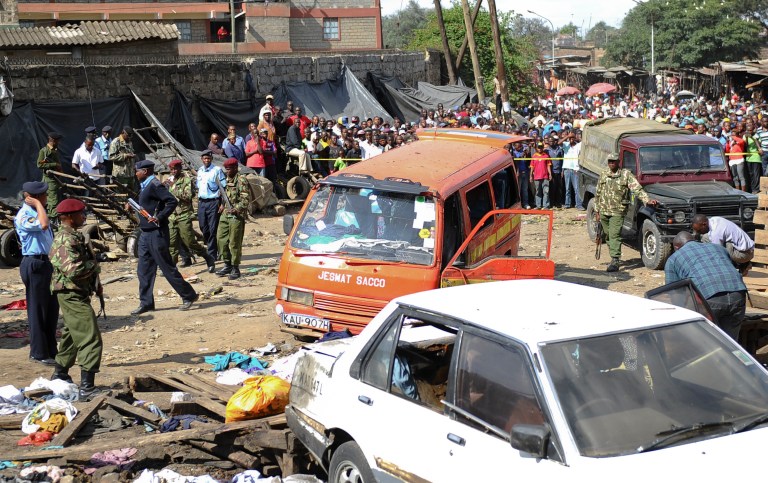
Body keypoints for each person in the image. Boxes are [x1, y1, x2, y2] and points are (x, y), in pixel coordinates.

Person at [48, 198, 103, 400]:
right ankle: (87, 387)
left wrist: (96, 282)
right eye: (81, 213)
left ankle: (60, 373)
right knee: (90, 336)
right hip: (70, 293)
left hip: (78, 292)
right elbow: (73, 270)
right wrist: (94, 266)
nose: (84, 216)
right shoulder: (65, 239)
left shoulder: (75, 236)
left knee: (72, 334)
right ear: (69, 217)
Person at [130, 160, 199, 315]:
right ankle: (146, 302)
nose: (136, 174)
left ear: (145, 171)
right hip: (145, 234)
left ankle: (189, 295)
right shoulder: (145, 186)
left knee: (167, 267)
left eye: (137, 171)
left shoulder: (155, 185)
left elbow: (171, 201)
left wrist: (160, 217)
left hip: (157, 233)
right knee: (143, 270)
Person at [665, 231, 747, 340]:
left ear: (676, 247)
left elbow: (675, 294)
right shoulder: (718, 248)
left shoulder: (673, 259)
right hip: (738, 294)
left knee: (708, 342)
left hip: (710, 299)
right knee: (730, 342)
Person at [15, 181, 58, 365]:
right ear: (31, 198)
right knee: (38, 310)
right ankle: (38, 352)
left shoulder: (37, 211)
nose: (46, 198)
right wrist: (39, 205)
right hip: (34, 263)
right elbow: (43, 225)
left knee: (51, 308)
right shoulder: (25, 215)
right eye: (43, 196)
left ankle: (50, 349)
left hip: (46, 262)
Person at [595, 154, 657, 272]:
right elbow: (598, 192)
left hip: (617, 211)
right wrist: (597, 210)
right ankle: (613, 254)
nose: (611, 163)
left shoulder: (625, 175)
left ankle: (615, 260)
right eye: (609, 161)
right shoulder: (603, 174)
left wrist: (647, 199)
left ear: (618, 162)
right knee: (608, 235)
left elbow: (637, 189)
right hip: (603, 210)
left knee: (614, 234)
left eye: (614, 161)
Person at [167, 159, 215, 271]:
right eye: (171, 169)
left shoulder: (186, 180)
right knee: (172, 243)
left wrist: (173, 187)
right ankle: (172, 268)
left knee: (189, 241)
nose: (173, 171)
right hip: (172, 215)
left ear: (180, 168)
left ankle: (206, 256)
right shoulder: (170, 179)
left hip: (183, 214)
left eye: (175, 169)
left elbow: (187, 197)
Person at [216, 158, 251, 280]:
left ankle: (235, 267)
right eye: (226, 169)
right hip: (225, 214)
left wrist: (236, 209)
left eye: (229, 169)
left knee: (234, 243)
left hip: (236, 216)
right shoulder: (225, 179)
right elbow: (225, 195)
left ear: (235, 168)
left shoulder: (241, 180)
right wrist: (222, 205)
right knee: (221, 240)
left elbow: (245, 200)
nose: (227, 171)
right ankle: (227, 264)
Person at [196, 150, 226, 262]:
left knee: (213, 229)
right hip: (202, 203)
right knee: (203, 227)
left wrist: (222, 204)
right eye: (204, 158)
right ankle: (213, 248)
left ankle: (212, 254)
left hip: (214, 202)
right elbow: (198, 187)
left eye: (208, 158)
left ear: (211, 159)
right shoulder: (200, 171)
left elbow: (223, 188)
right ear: (202, 159)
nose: (206, 160)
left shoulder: (217, 170)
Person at [37, 132, 63, 219]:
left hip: (55, 179)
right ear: (53, 140)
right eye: (57, 141)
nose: (58, 142)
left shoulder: (54, 150)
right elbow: (39, 165)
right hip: (49, 179)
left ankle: (50, 217)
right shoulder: (44, 151)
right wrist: (54, 164)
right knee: (53, 200)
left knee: (51, 200)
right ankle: (53, 219)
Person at [109, 126, 137, 193]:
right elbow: (111, 157)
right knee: (121, 194)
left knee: (131, 193)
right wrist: (125, 156)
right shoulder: (116, 142)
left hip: (130, 173)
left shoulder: (130, 142)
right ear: (123, 133)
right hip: (121, 174)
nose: (130, 137)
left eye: (131, 136)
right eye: (128, 135)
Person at [562, 133, 583, 209]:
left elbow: (583, 141)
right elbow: (558, 143)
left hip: (575, 170)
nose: (571, 139)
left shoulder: (578, 145)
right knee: (567, 189)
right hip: (567, 169)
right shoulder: (566, 144)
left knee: (577, 189)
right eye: (570, 138)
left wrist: (576, 137)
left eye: (572, 138)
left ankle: (578, 205)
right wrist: (567, 136)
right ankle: (567, 204)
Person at [529, 142, 552, 209]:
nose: (540, 149)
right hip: (536, 177)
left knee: (546, 191)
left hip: (545, 176)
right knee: (537, 192)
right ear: (537, 148)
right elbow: (532, 166)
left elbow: (548, 166)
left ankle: (546, 206)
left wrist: (550, 174)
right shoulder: (534, 156)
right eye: (539, 147)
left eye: (541, 147)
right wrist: (530, 176)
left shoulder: (546, 156)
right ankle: (538, 205)